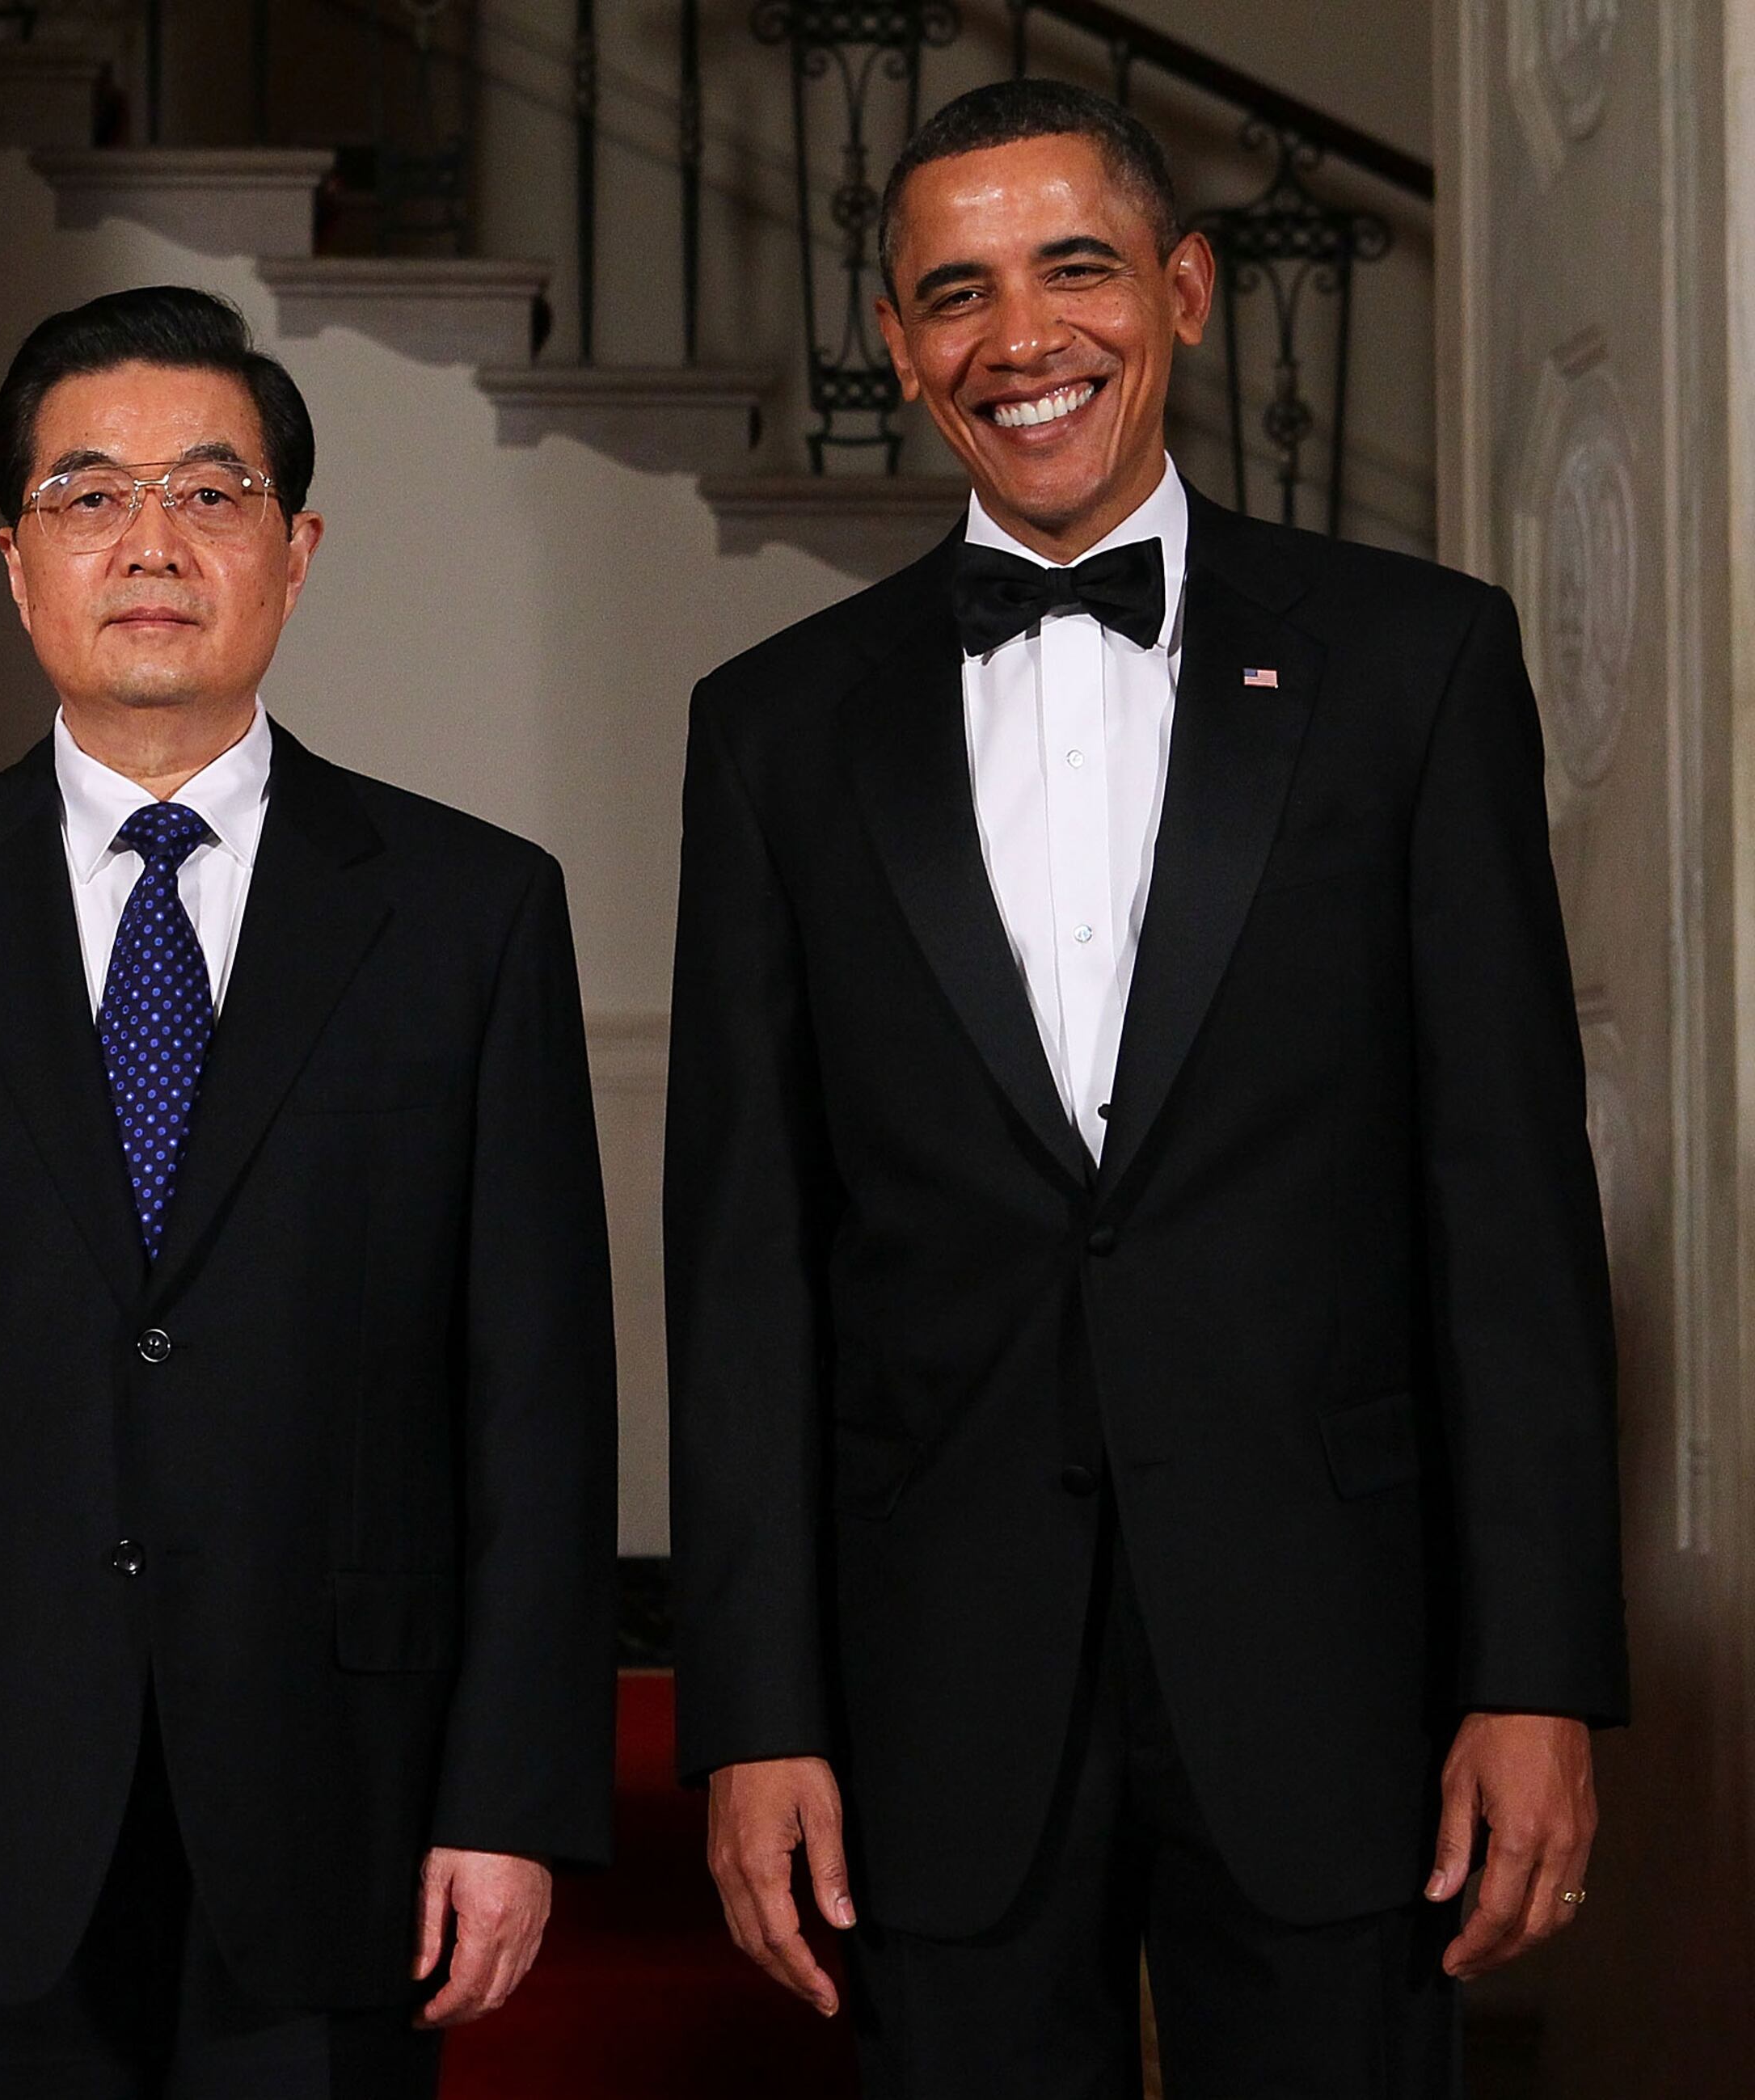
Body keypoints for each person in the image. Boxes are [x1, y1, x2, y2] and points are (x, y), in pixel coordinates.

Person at [665, 78, 1628, 2096]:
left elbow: (1509, 1207)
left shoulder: (1417, 665)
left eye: (1075, 268)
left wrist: (1536, 1674)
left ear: (1186, 291)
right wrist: (754, 1714)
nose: (1021, 338)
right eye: (955, 294)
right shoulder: (771, 734)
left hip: (1333, 1660)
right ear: (905, 348)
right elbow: (747, 1268)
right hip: (938, 1683)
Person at [0, 285, 618, 2097]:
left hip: (338, 1795)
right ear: (16, 560)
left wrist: (510, 1801)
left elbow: (537, 1399)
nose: (153, 542)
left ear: (297, 549)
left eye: (212, 491)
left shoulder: (470, 916)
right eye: (91, 495)